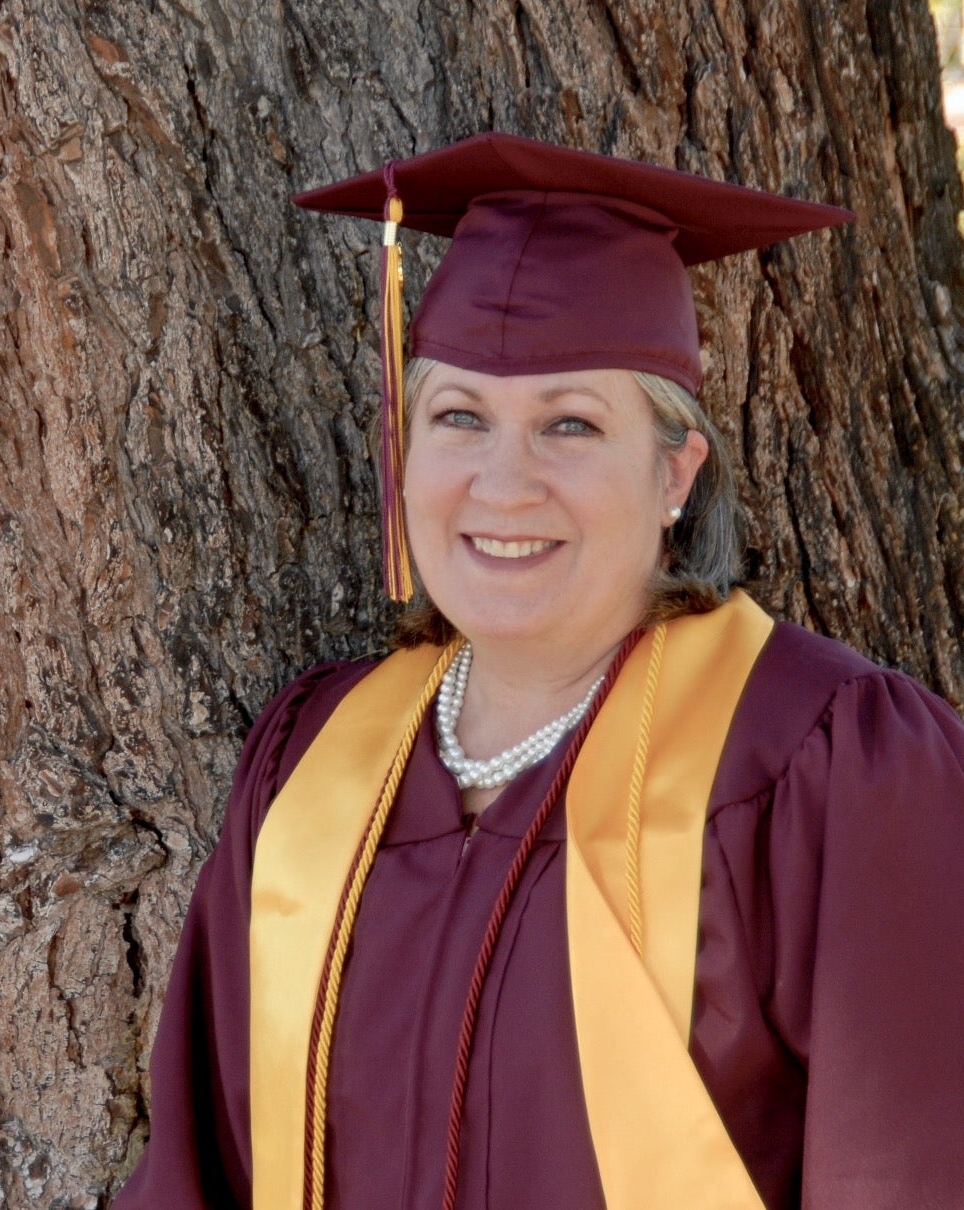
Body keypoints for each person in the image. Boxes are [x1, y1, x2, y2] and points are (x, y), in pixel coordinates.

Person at [114, 133, 964, 1209]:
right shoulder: (309, 766)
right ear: (405, 451)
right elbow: (194, 1175)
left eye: (571, 424)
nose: (503, 484)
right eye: (460, 417)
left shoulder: (827, 767)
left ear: (674, 471)